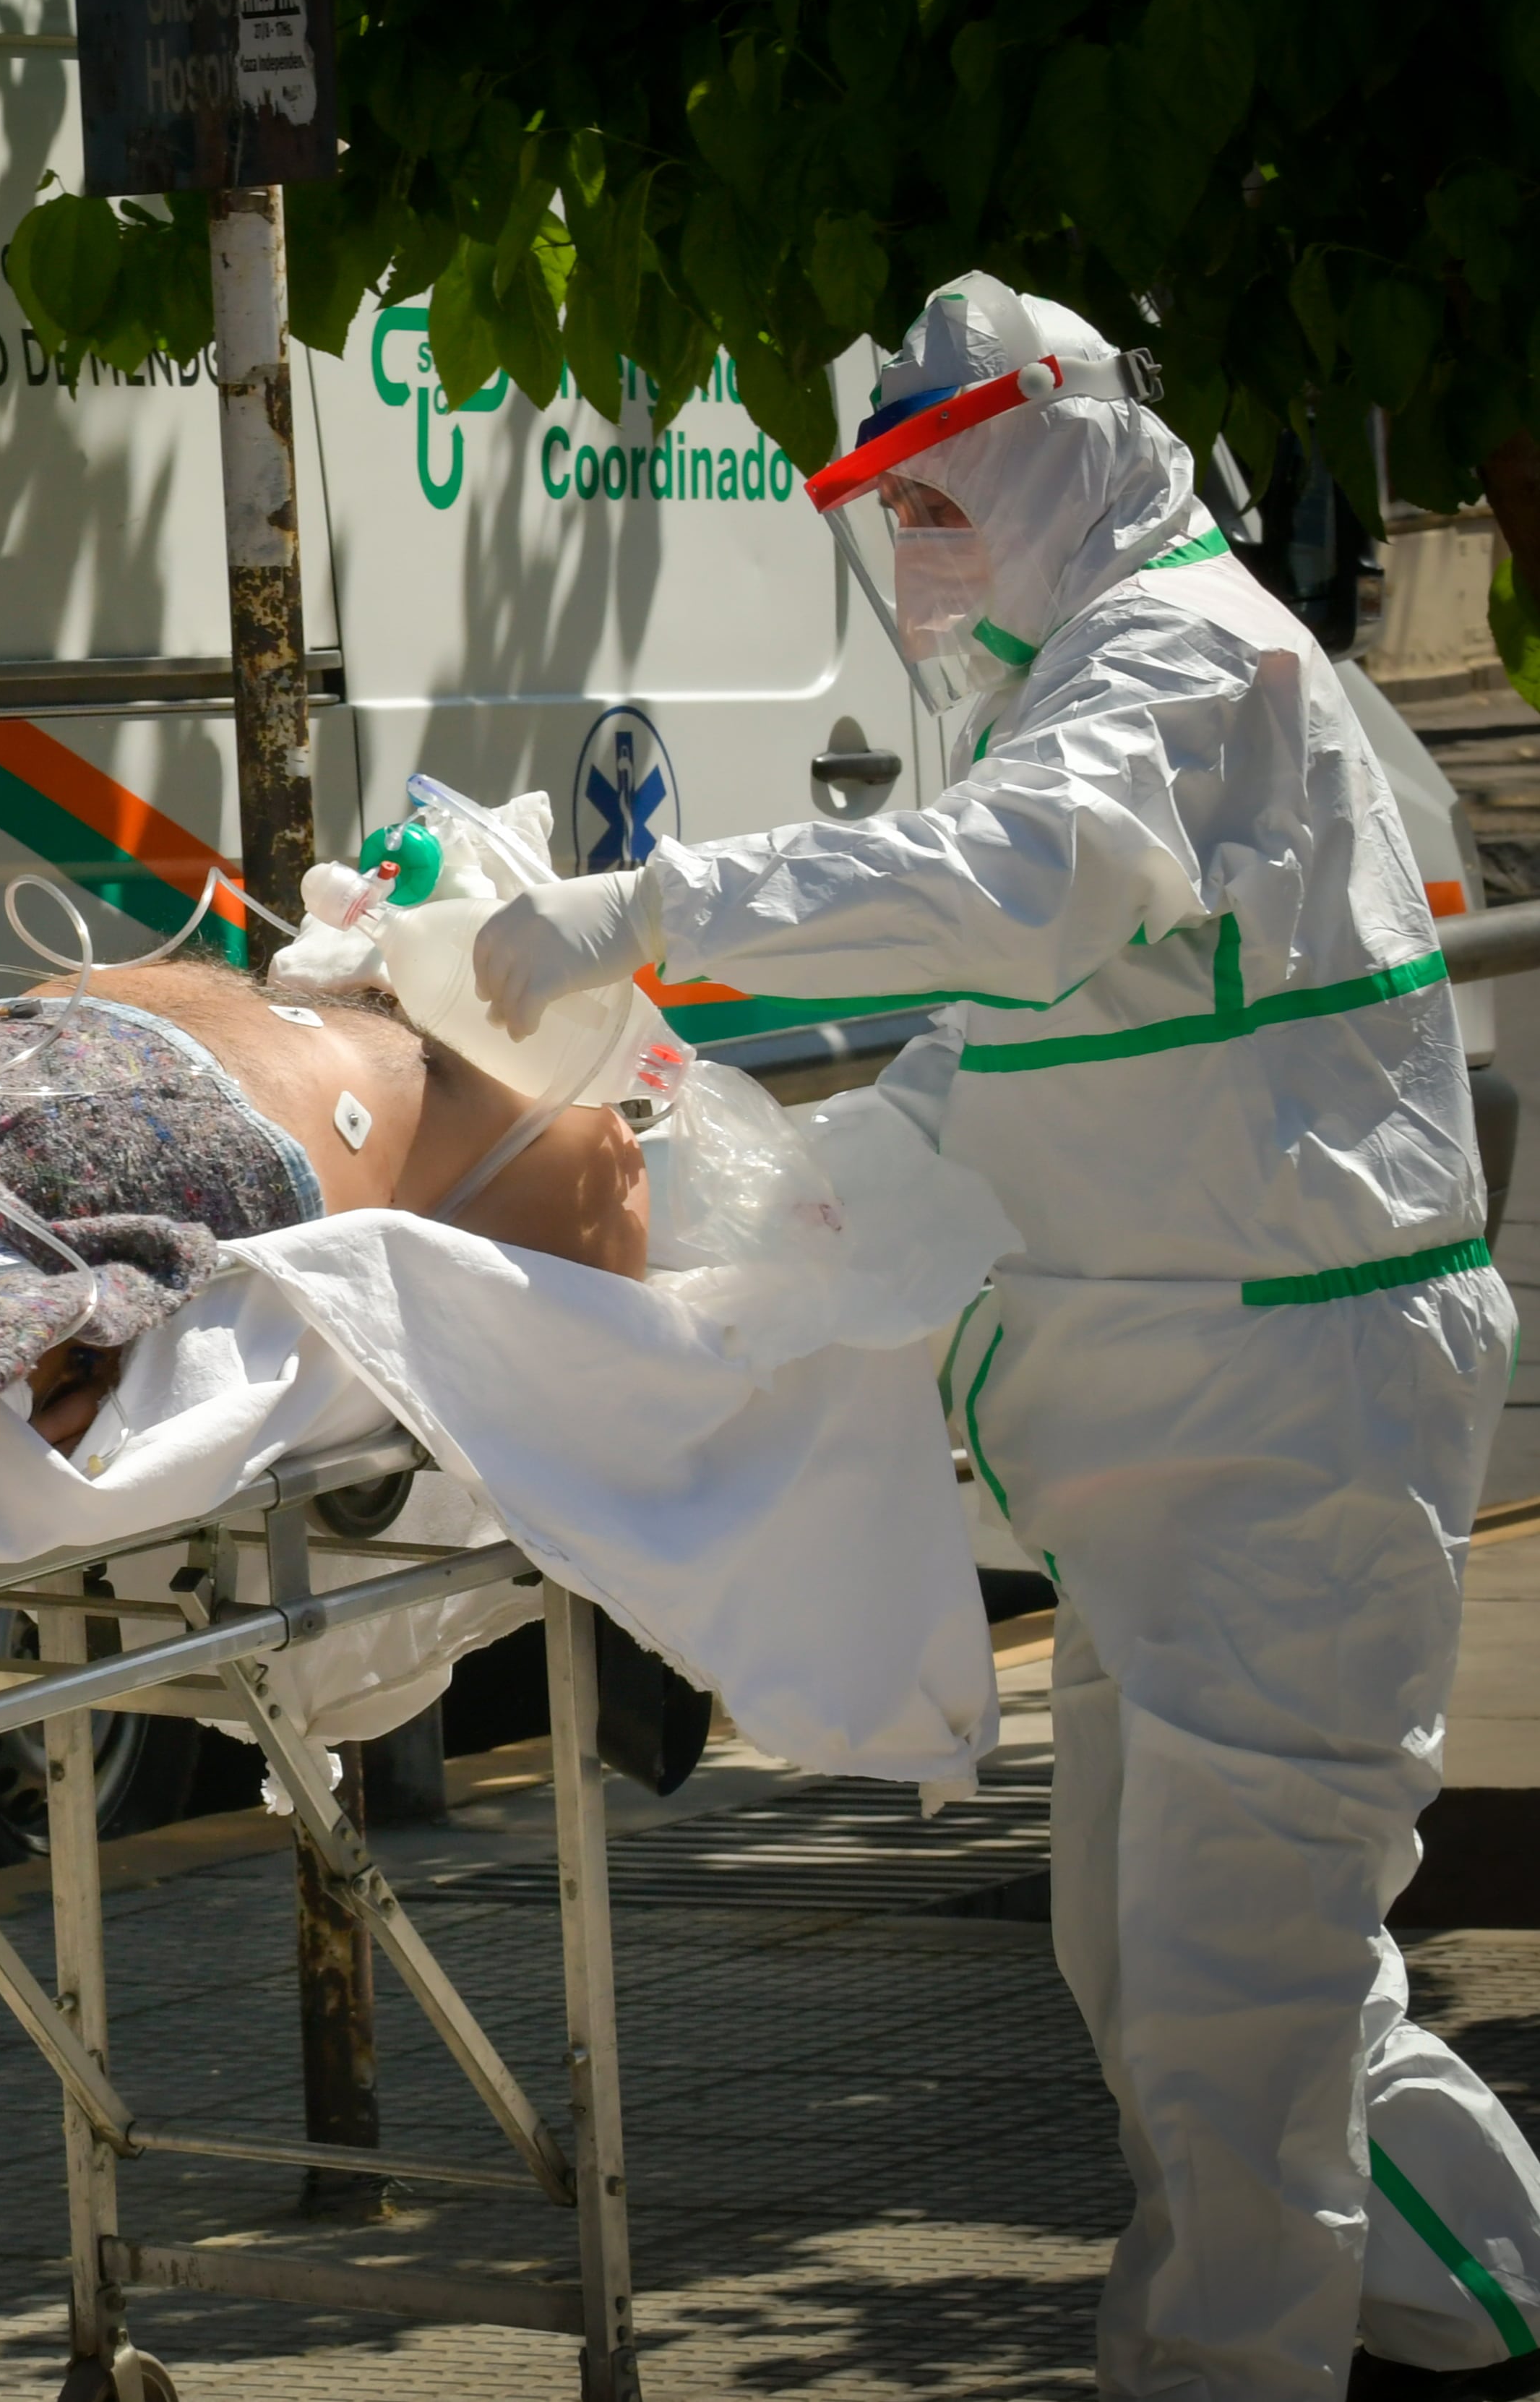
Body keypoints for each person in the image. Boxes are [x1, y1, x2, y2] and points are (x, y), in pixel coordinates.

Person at [476, 273, 1540, 2398]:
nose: (916, 548)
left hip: (1281, 1437)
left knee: (1234, 2018)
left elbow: (1019, 888)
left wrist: (656, 911)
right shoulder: (1090, 674)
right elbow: (1047, 1016)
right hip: (1191, 1452)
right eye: (895, 510)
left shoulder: (1187, 658)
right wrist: (833, 1179)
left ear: (1068, 442)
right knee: (1188, 1978)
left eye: (947, 499)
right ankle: (1495, 2301)